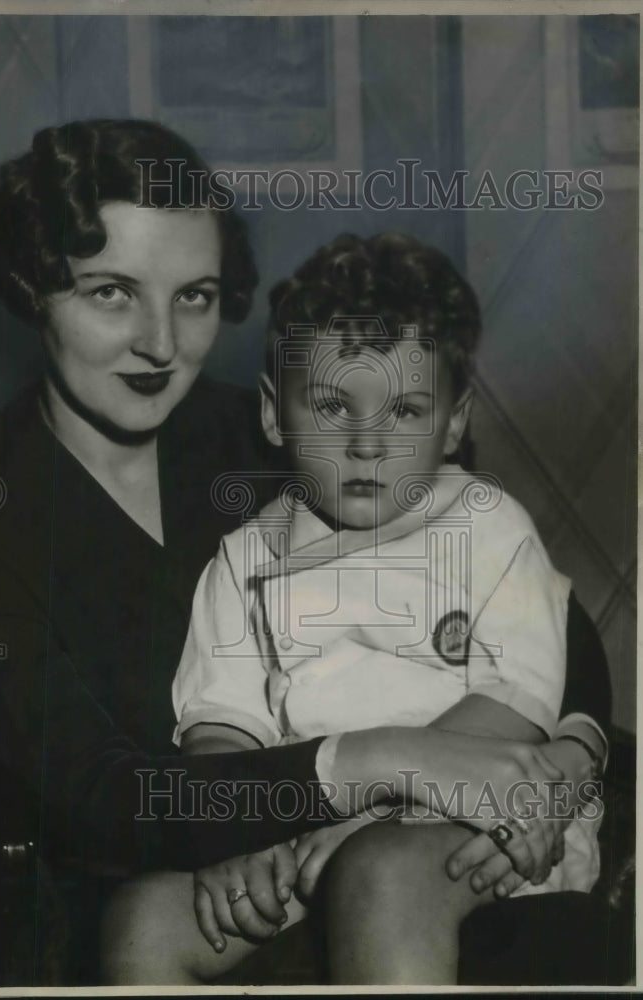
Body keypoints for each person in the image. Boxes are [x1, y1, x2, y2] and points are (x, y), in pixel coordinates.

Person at [0, 119, 611, 989]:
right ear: (36, 285)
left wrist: (570, 754)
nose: (161, 342)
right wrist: (369, 762)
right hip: (75, 915)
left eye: (193, 296)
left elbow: (531, 604)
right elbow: (105, 807)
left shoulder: (279, 432)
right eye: (113, 292)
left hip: (357, 863)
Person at [101, 233, 607, 985]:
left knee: (380, 874)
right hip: (301, 830)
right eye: (334, 406)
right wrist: (234, 845)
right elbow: (220, 735)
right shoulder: (244, 560)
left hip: (475, 818)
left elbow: (515, 712)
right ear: (276, 415)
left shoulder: (488, 525)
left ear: (456, 420)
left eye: (405, 411)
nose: (367, 443)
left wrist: (366, 824)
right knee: (142, 921)